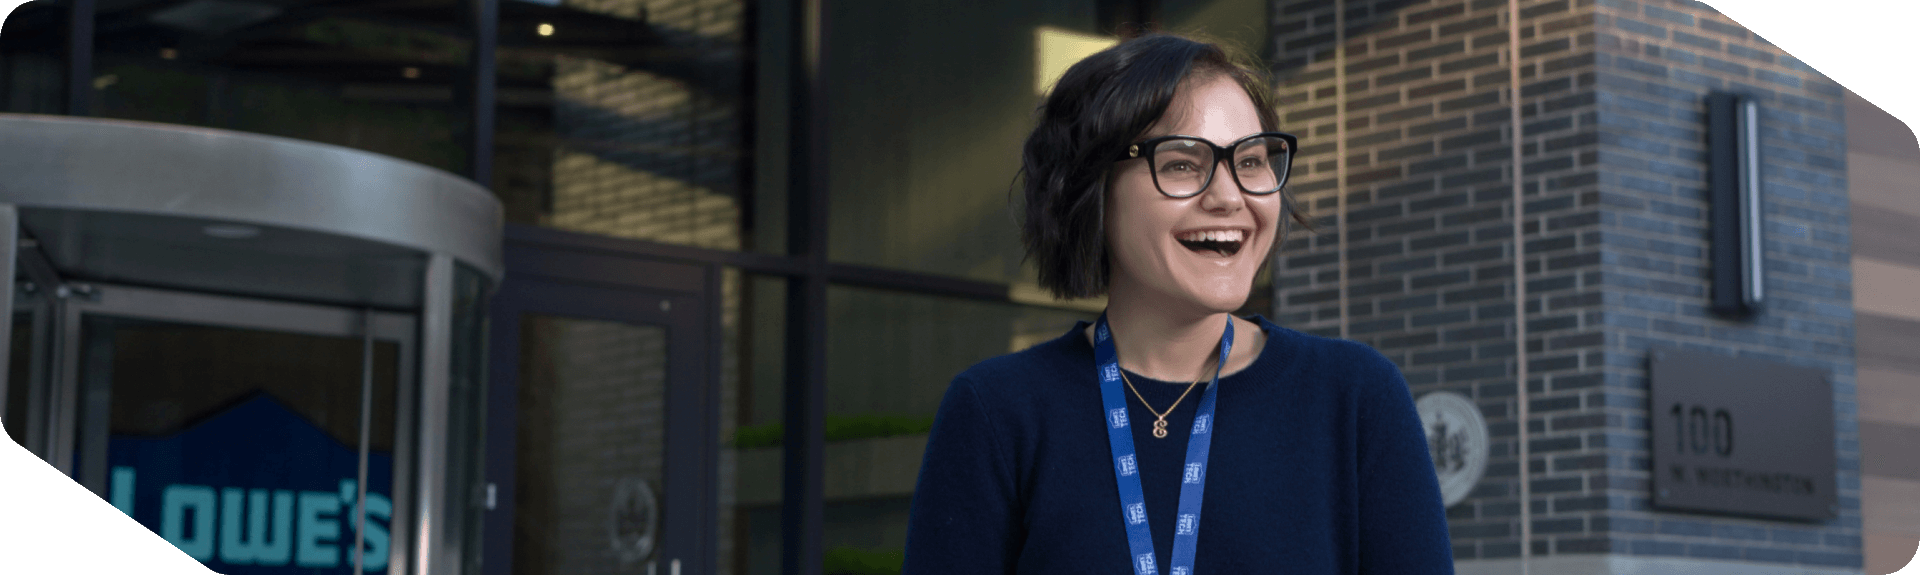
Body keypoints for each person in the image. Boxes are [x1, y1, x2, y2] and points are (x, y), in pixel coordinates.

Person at [900, 33, 1455, 574]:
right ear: (1092, 185)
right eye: (1183, 164)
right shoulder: (998, 411)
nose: (1231, 197)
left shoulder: (1354, 398)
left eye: (1253, 160)